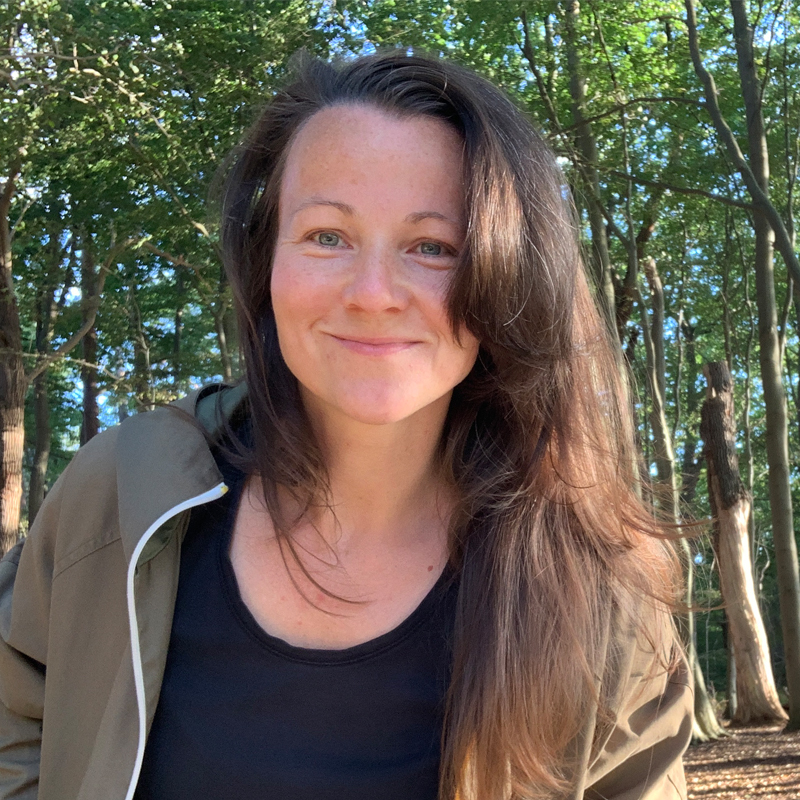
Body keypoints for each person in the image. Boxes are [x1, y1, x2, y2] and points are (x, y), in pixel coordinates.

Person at [0, 51, 692, 800]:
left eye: (433, 247)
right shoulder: (121, 498)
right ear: (267, 259)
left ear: (511, 279)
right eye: (327, 235)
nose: (372, 293)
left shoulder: (600, 595)